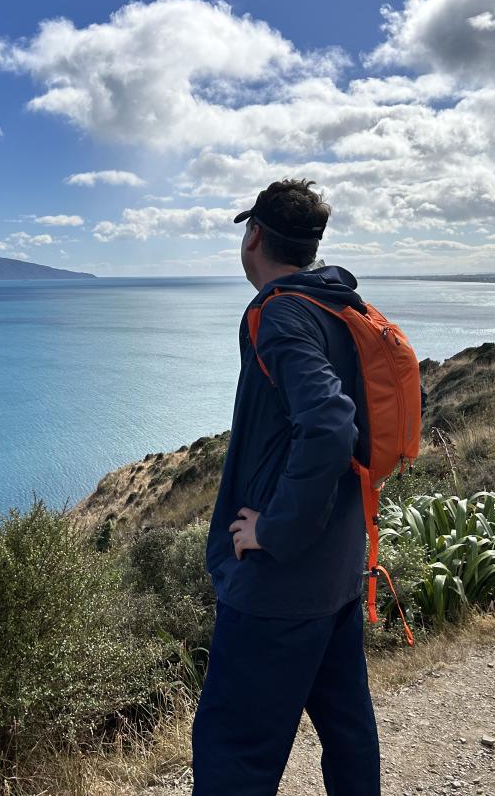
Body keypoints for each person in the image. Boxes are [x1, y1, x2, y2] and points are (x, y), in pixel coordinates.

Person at [191, 179, 380, 795]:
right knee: (349, 733)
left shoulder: (279, 313)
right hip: (338, 572)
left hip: (279, 588)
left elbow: (329, 424)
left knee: (233, 754)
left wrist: (272, 530)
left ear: (255, 238)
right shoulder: (341, 306)